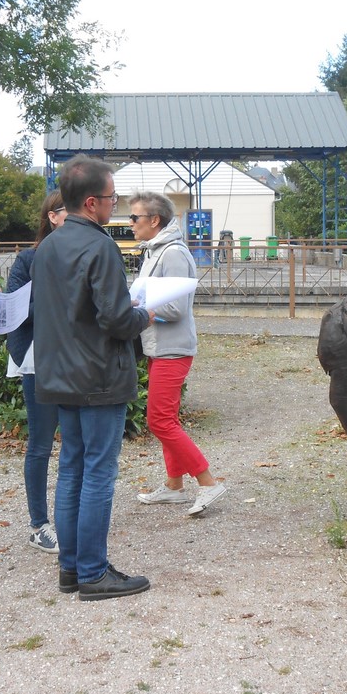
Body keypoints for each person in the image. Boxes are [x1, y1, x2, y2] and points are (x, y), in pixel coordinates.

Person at [32, 154, 153, 601]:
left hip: (60, 373)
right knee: (98, 474)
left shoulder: (48, 246)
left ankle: (71, 569)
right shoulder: (100, 247)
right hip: (99, 375)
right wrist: (144, 315)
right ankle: (93, 572)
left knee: (71, 470)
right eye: (111, 198)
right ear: (90, 202)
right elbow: (116, 320)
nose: (113, 205)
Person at [131, 192, 227, 515]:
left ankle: (208, 482)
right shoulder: (155, 250)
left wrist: (136, 309)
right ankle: (174, 486)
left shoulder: (172, 253)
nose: (130, 224)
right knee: (166, 418)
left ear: (154, 220)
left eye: (135, 217)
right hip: (159, 347)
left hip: (173, 349)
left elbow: (175, 307)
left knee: (158, 420)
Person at [6, 191, 66, 553]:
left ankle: (72, 515)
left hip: (79, 359)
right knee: (41, 444)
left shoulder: (88, 251)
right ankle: (39, 524)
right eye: (69, 209)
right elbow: (14, 308)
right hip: (38, 358)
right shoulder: (28, 259)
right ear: (52, 216)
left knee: (77, 443)